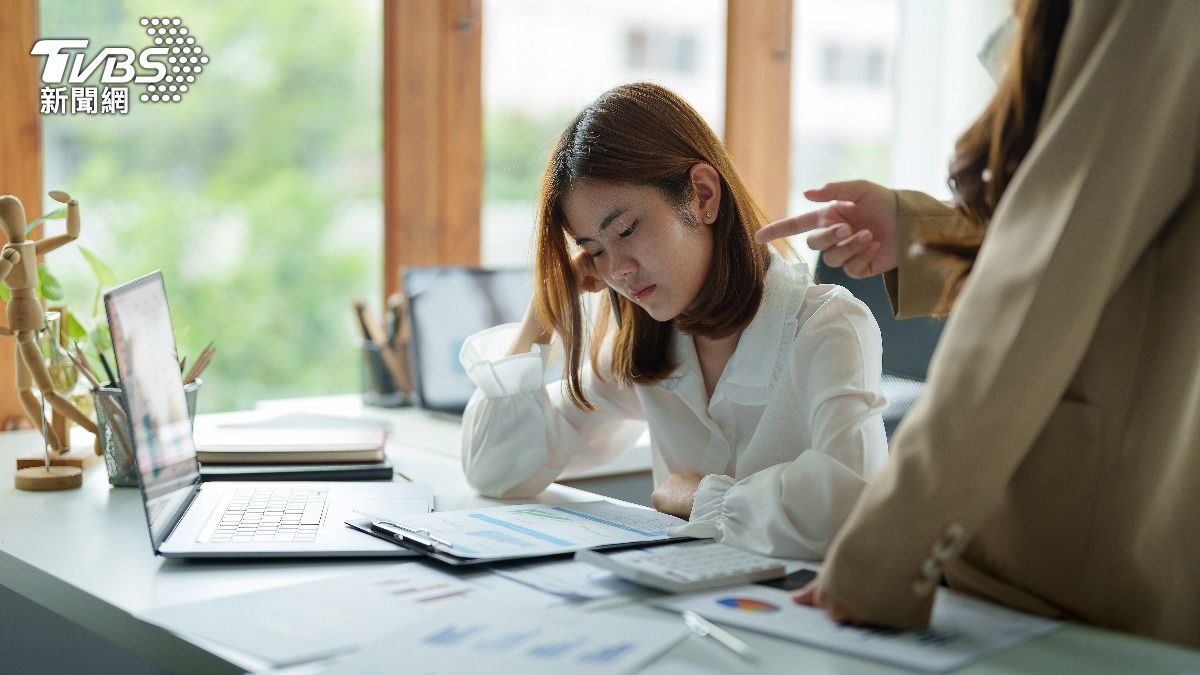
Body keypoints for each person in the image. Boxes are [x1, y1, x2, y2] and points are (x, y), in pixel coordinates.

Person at [759, 0, 1200, 648]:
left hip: (1081, 555)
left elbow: (1050, 265)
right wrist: (926, 234)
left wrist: (883, 549)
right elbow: (1117, 198)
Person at [459, 82, 889, 559]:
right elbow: (495, 469)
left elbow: (854, 511)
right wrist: (542, 315)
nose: (617, 270)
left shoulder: (829, 327)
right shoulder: (648, 350)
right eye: (595, 251)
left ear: (703, 195)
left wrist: (698, 496)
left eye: (626, 230)